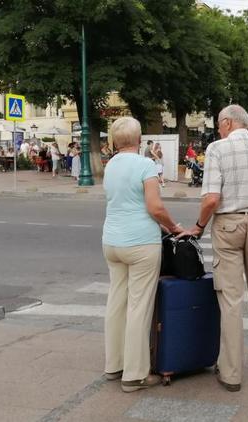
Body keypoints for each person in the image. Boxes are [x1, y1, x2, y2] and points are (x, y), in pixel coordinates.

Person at [179, 104, 248, 393]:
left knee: (230, 297)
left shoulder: (218, 149)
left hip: (228, 224)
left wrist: (199, 226)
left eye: (219, 123)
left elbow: (212, 198)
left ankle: (231, 371)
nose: (218, 127)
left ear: (227, 123)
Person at [101, 116, 183, 393]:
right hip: (140, 244)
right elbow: (154, 207)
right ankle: (135, 375)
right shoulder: (145, 165)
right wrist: (173, 227)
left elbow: (124, 202)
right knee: (139, 307)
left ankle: (114, 365)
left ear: (115, 141)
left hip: (111, 241)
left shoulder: (110, 165)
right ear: (139, 140)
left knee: (117, 302)